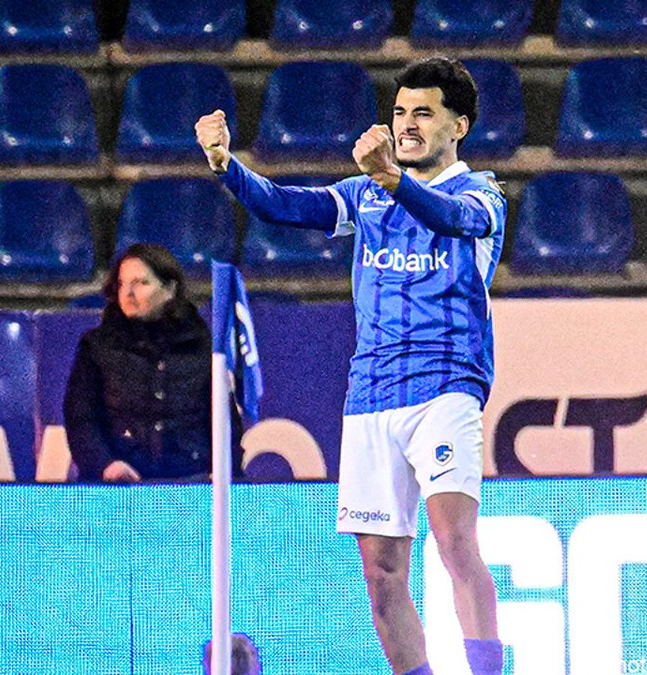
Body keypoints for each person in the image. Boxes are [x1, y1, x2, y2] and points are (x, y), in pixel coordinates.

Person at [195, 57, 505, 675]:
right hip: (369, 394)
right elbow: (286, 206)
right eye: (399, 112)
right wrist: (228, 167)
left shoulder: (482, 195)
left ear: (458, 126)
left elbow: (449, 219)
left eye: (424, 113)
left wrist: (392, 179)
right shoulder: (365, 192)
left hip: (445, 385)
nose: (408, 124)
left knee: (453, 540)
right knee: (380, 571)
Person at [64, 243, 242, 482]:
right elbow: (81, 417)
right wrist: (105, 465)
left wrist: (220, 470)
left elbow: (224, 420)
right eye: (121, 284)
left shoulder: (202, 347)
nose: (128, 293)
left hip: (193, 484)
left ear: (169, 289)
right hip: (118, 487)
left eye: (140, 283)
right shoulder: (96, 347)